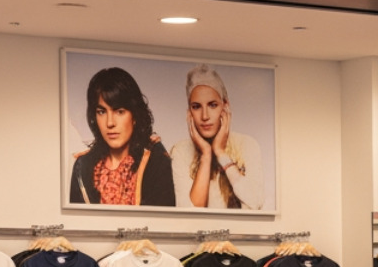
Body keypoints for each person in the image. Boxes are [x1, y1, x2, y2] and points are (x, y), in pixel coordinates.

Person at [68, 66, 174, 206]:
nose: (110, 123)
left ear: (135, 115)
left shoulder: (156, 161)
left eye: (119, 111)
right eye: (102, 112)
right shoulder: (82, 167)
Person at [170, 64, 265, 210]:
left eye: (213, 105)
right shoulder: (180, 151)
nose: (205, 116)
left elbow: (255, 203)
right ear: (189, 113)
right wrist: (206, 155)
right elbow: (190, 214)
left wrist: (221, 153)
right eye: (196, 107)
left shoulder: (247, 144)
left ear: (225, 106)